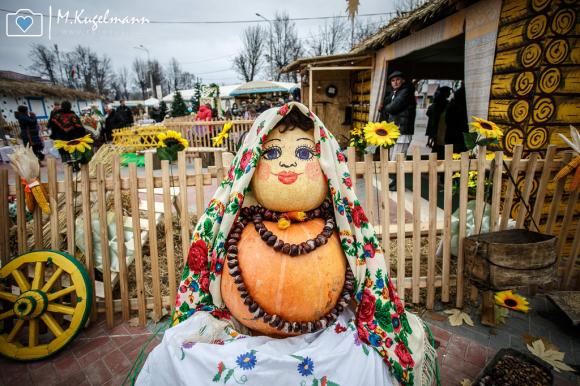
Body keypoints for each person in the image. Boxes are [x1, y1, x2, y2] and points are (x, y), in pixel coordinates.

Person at [136, 103, 437, 386]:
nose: (289, 162)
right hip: (247, 323)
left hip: (322, 321)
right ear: (252, 163)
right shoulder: (238, 223)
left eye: (305, 154)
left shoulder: (336, 225)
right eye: (273, 152)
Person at [380, 71, 417, 190]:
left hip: (403, 130)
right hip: (395, 130)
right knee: (393, 157)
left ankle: (398, 184)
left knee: (398, 158)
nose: (395, 82)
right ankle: (395, 181)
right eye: (393, 80)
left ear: (403, 81)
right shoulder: (395, 93)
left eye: (397, 79)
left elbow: (393, 107)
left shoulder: (406, 92)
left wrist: (385, 107)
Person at [426, 86, 452, 158]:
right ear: (445, 93)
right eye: (448, 92)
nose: (449, 94)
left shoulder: (436, 102)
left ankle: (434, 160)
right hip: (440, 128)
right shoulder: (444, 103)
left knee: (437, 146)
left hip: (435, 128)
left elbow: (428, 113)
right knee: (440, 147)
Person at [445, 84, 469, 154]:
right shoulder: (464, 109)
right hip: (460, 139)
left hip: (451, 138)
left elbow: (447, 121)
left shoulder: (451, 107)